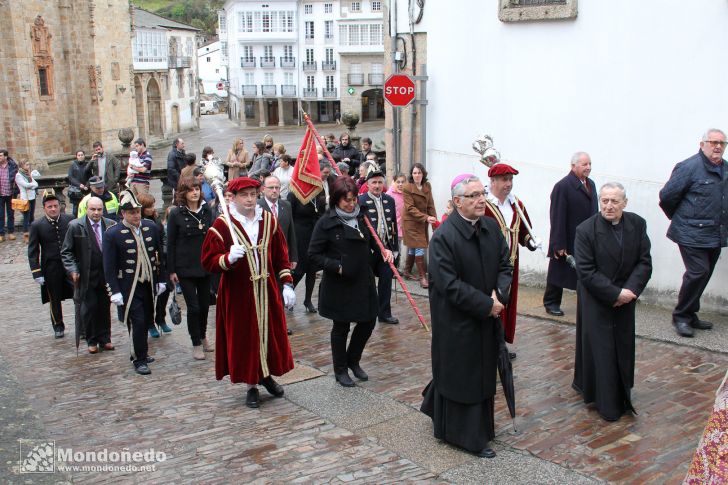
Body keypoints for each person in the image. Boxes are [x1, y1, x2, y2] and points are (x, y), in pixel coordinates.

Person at [420, 174, 512, 459]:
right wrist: (486, 304)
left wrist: (499, 295)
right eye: (472, 196)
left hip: (487, 316)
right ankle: (467, 437)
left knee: (483, 373)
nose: (480, 199)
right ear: (457, 201)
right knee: (463, 376)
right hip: (457, 322)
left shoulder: (490, 227)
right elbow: (449, 285)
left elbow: (504, 265)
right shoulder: (444, 238)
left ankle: (482, 430)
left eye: (481, 193)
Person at [201, 177, 296, 409]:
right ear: (233, 198)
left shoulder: (269, 221)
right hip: (238, 293)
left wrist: (286, 283)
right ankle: (251, 385)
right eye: (245, 195)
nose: (250, 199)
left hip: (266, 289)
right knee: (246, 339)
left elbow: (280, 255)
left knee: (267, 335)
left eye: (253, 194)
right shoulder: (223, 226)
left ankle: (265, 375)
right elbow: (208, 261)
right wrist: (227, 258)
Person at [573, 182, 652, 422]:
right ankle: (606, 403)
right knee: (602, 349)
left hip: (627, 298)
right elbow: (586, 271)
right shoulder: (585, 230)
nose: (609, 206)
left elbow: (644, 261)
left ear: (624, 203)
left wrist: (629, 291)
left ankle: (623, 392)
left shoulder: (637, 224)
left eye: (614, 201)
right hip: (598, 298)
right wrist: (614, 293)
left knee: (623, 345)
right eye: (604, 201)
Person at [309, 176, 393, 387]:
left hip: (363, 280)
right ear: (336, 199)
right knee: (341, 327)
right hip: (340, 283)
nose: (351, 203)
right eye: (346, 199)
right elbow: (313, 254)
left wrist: (385, 250)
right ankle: (340, 370)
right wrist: (337, 265)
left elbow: (374, 239)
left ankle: (353, 360)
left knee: (368, 321)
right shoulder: (326, 223)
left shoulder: (363, 217)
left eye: (354, 198)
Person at [659, 128, 728, 338]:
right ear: (702, 144)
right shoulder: (689, 167)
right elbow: (667, 197)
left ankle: (690, 314)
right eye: (713, 142)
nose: (717, 147)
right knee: (698, 271)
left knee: (704, 274)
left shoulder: (725, 168)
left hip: (715, 233)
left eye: (722, 143)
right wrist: (683, 220)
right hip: (690, 233)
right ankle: (680, 316)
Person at [103, 190, 166, 375]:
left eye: (137, 212)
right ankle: (138, 359)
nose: (136, 215)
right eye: (131, 212)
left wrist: (161, 278)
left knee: (147, 318)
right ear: (123, 214)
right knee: (137, 321)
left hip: (148, 282)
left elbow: (158, 256)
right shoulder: (113, 234)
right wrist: (113, 290)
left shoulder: (150, 227)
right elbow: (109, 266)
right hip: (128, 286)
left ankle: (143, 353)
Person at [483, 163, 539, 352]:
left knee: (508, 304)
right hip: (490, 266)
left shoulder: (517, 205)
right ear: (493, 181)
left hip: (511, 264)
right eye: (504, 180)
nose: (509, 184)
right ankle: (489, 343)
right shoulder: (484, 205)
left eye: (511, 180)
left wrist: (530, 241)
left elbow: (524, 231)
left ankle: (501, 342)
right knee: (493, 302)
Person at [543, 151, 598, 316]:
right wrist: (558, 243)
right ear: (573, 166)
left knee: (586, 270)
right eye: (584, 164)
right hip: (567, 237)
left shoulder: (591, 184)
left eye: (589, 164)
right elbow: (557, 216)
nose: (588, 167)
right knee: (558, 270)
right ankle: (551, 302)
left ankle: (587, 302)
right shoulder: (563, 186)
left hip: (586, 237)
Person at [61, 196, 117, 353]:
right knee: (90, 307)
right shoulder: (75, 226)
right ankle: (91, 339)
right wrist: (73, 270)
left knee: (105, 307)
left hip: (105, 274)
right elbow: (67, 252)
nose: (96, 213)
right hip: (86, 274)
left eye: (99, 209)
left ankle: (105, 338)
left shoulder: (110, 225)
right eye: (93, 209)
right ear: (87, 209)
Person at [167, 176, 214, 360]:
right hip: (184, 267)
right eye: (190, 190)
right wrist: (171, 270)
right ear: (183, 193)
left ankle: (203, 336)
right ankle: (195, 342)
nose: (194, 192)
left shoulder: (206, 210)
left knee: (204, 305)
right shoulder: (176, 214)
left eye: (197, 189)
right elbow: (170, 244)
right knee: (193, 307)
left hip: (204, 265)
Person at [28, 189, 75, 338]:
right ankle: (58, 326)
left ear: (60, 206)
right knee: (54, 298)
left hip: (70, 265)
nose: (53, 209)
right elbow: (33, 250)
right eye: (50, 206)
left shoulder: (70, 219)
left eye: (55, 205)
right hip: (51, 267)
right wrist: (36, 271)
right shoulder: (37, 225)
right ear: (45, 208)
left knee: (79, 295)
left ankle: (84, 326)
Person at [359, 168, 399, 324]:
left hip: (386, 250)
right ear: (368, 185)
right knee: (365, 282)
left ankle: (384, 313)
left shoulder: (389, 200)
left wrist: (395, 250)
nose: (377, 185)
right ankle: (363, 311)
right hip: (368, 250)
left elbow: (393, 226)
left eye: (380, 182)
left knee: (386, 280)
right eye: (374, 182)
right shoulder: (360, 201)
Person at [288, 165, 329, 313]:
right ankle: (289, 297)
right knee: (299, 270)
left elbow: (322, 211)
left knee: (312, 269)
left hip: (315, 233)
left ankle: (308, 300)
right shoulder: (294, 192)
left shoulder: (319, 191)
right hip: (299, 234)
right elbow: (289, 215)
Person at [259, 174, 298, 333]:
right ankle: (265, 324)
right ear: (263, 189)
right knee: (267, 292)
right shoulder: (257, 206)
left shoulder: (286, 205)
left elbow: (291, 232)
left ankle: (280, 324)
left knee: (282, 290)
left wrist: (293, 256)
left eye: (277, 187)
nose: (275, 191)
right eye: (271, 188)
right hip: (264, 258)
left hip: (282, 258)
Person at [137, 192, 173, 338]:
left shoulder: (155, 222)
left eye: (153, 205)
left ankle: (161, 317)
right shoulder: (139, 222)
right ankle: (150, 323)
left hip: (160, 261)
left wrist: (163, 251)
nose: (153, 209)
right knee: (148, 295)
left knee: (165, 290)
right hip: (146, 263)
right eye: (149, 206)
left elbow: (164, 238)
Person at [402, 162, 437, 288]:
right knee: (419, 246)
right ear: (412, 174)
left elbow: (430, 205)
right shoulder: (407, 187)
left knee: (413, 246)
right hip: (411, 221)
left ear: (423, 174)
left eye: (419, 173)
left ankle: (407, 271)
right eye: (414, 173)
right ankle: (423, 277)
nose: (417, 175)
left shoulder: (427, 186)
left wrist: (434, 222)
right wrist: (427, 217)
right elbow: (410, 208)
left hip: (422, 221)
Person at [15, 159, 38, 242]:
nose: (28, 166)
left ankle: (33, 232)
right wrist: (32, 185)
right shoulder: (19, 175)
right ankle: (26, 234)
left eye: (29, 164)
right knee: (26, 217)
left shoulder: (29, 174)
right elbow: (25, 185)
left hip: (32, 196)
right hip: (25, 198)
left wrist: (32, 185)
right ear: (22, 165)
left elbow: (36, 184)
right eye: (27, 165)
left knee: (31, 216)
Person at [386, 173, 406, 265]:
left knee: (400, 248)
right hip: (393, 226)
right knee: (394, 248)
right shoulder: (390, 194)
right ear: (394, 182)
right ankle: (393, 267)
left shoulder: (406, 193)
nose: (400, 184)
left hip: (403, 225)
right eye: (398, 182)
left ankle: (398, 267)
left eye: (403, 182)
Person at [0, 149, 19, 241]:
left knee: (10, 214)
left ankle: (11, 232)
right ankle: (1, 234)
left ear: (5, 156)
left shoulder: (13, 165)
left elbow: (17, 178)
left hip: (11, 193)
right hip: (0, 194)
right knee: (0, 214)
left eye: (1, 155)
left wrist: (17, 192)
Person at [67, 150, 92, 217]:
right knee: (75, 210)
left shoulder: (87, 164)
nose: (80, 156)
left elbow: (90, 176)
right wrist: (79, 184)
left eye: (82, 155)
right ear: (76, 156)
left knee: (87, 207)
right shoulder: (73, 165)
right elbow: (71, 177)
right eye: (79, 155)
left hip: (86, 190)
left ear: (84, 156)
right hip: (76, 191)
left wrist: (87, 185)